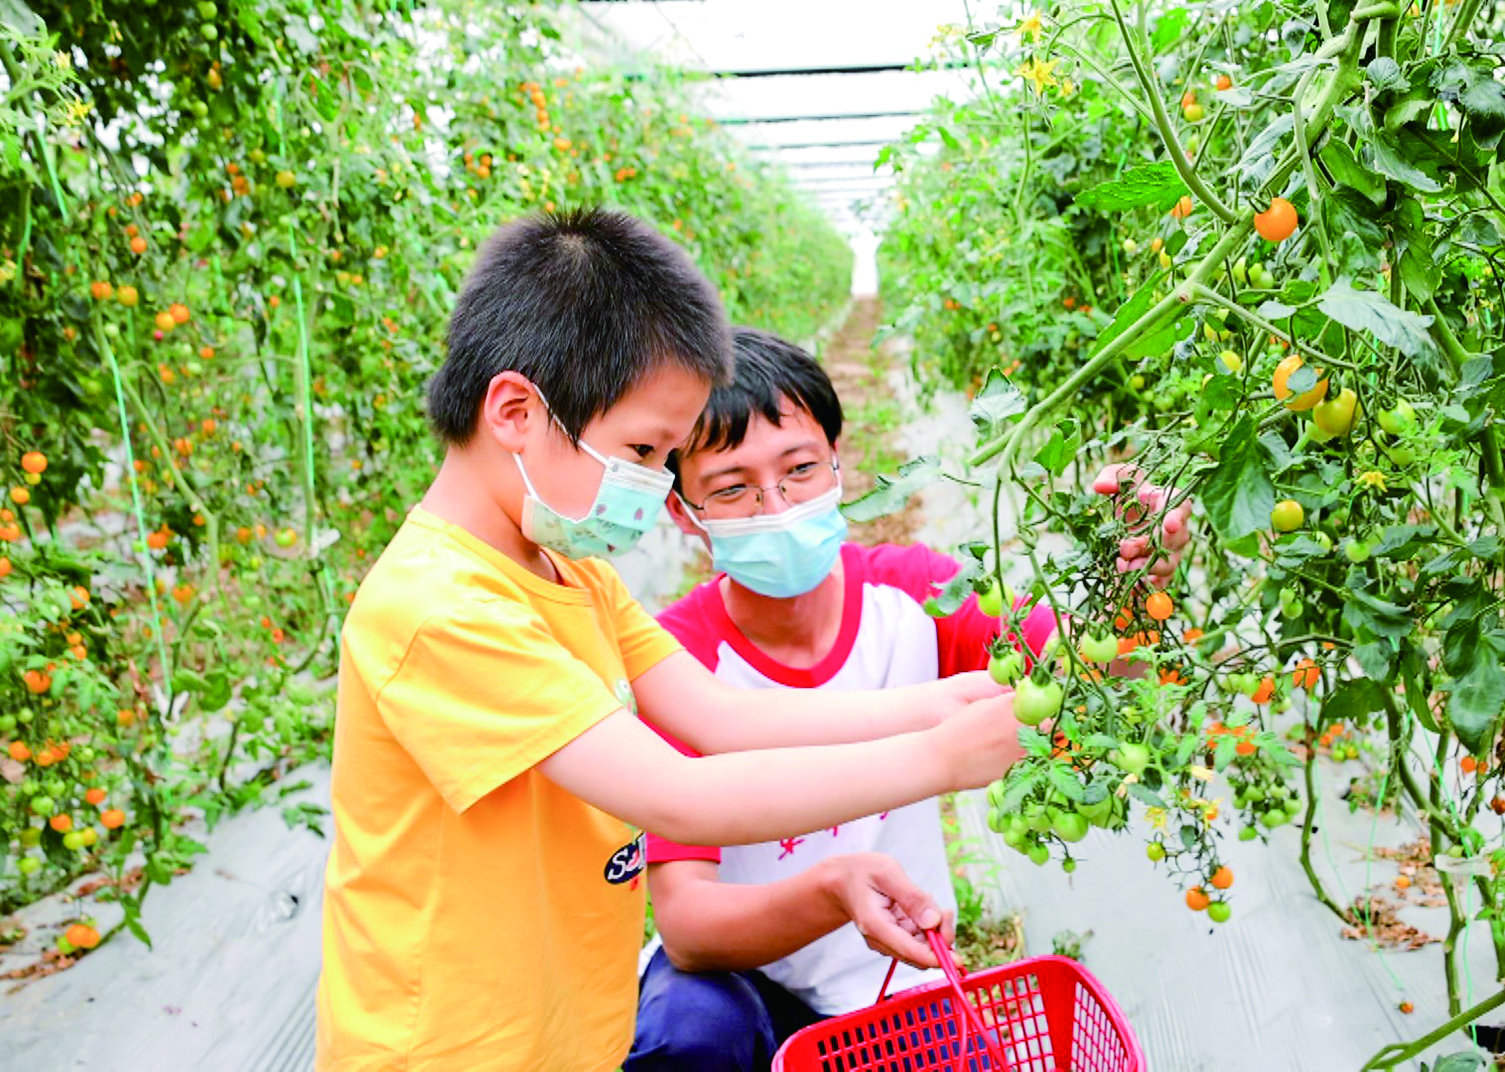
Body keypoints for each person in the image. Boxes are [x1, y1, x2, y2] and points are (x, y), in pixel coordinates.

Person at [315, 208, 1026, 1072]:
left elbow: (724, 720)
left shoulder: (569, 573)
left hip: (565, 1027)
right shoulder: (441, 608)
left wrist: (944, 702)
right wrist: (939, 760)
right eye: (644, 449)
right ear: (514, 410)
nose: (655, 488)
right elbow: (680, 795)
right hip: (450, 1047)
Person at [625, 327, 1191, 1071]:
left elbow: (1085, 666)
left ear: (836, 462)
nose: (776, 506)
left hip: (893, 983)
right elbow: (692, 926)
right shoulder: (679, 661)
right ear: (681, 510)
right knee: (689, 1041)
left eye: (799, 470)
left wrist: (1137, 580)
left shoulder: (916, 593)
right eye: (731, 488)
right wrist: (832, 890)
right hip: (739, 978)